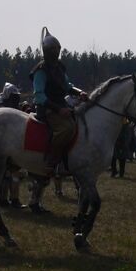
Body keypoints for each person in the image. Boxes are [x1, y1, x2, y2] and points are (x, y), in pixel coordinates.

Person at [30, 27, 83, 167]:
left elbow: (67, 85)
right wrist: (58, 110)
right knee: (66, 129)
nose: (56, 52)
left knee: (78, 124)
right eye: (53, 49)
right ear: (47, 51)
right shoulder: (40, 71)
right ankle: (52, 157)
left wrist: (80, 93)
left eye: (57, 48)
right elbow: (39, 95)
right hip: (46, 108)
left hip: (60, 106)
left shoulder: (59, 67)